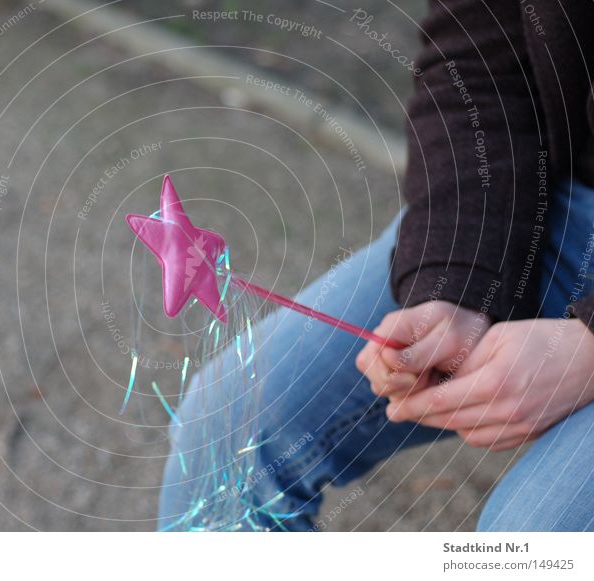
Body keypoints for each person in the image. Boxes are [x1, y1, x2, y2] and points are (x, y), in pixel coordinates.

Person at [157, 0, 594, 531]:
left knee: (529, 540)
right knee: (224, 430)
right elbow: (477, 63)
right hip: (563, 199)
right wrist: (454, 284)